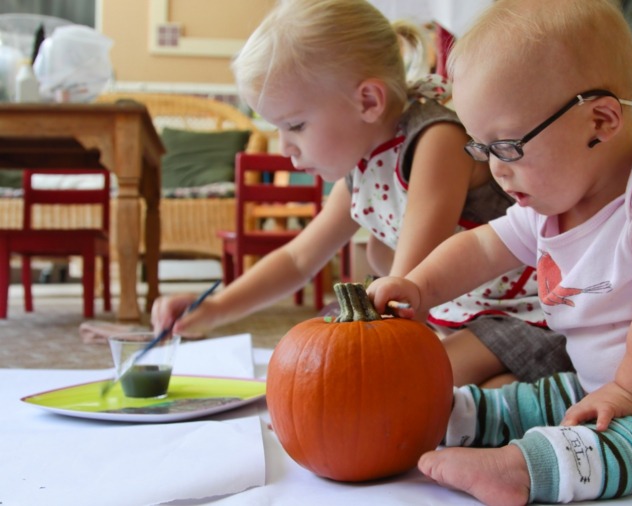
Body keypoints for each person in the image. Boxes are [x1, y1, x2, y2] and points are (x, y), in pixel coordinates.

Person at [368, 0, 632, 504]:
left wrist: (627, 396)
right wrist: (420, 285)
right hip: (607, 386)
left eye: (507, 147)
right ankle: (453, 416)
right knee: (543, 398)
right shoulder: (550, 207)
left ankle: (532, 469)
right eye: (482, 149)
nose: (495, 170)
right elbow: (482, 247)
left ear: (600, 120)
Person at [150, 0, 573, 387]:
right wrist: (214, 309)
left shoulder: (436, 139)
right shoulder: (362, 163)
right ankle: (505, 392)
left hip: (527, 313)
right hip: (459, 315)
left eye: (295, 125)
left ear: (368, 100)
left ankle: (547, 390)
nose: (284, 147)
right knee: (395, 337)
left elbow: (407, 284)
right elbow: (299, 259)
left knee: (407, 386)